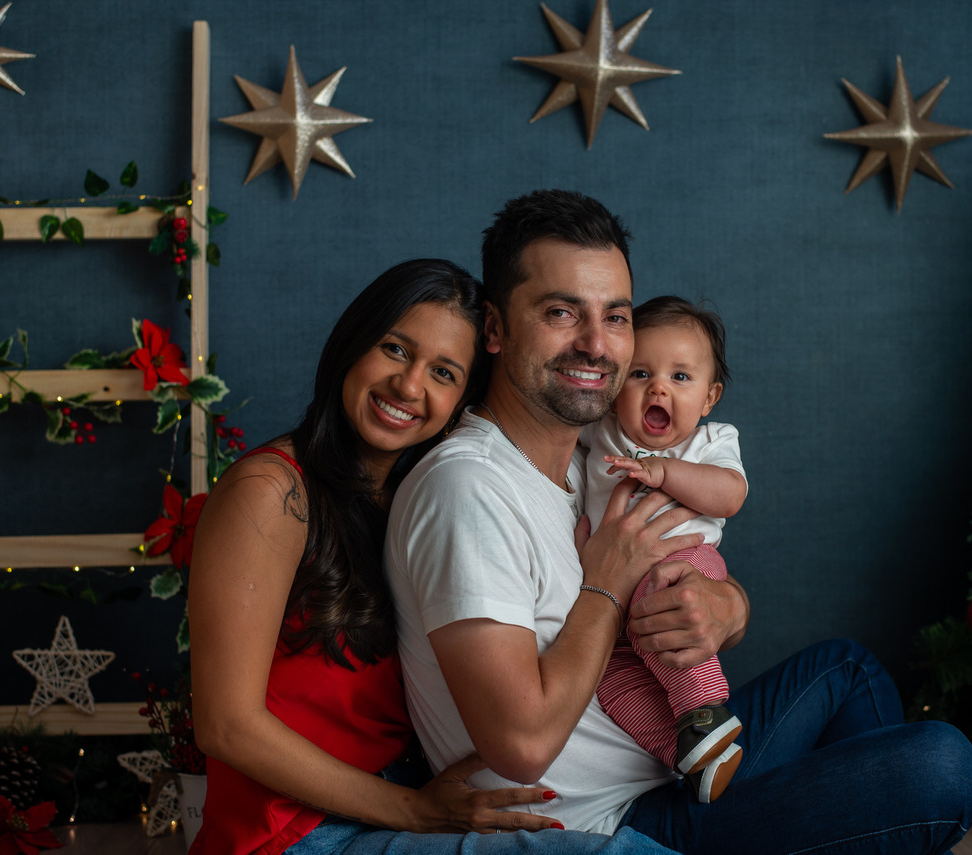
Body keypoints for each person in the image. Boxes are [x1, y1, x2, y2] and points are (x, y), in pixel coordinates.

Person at [385, 190, 972, 854]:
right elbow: (521, 744)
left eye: (614, 316)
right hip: (610, 821)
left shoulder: (576, 470)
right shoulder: (468, 486)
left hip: (669, 770)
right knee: (942, 764)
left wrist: (729, 606)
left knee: (848, 669)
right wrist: (606, 587)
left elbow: (681, 566)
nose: (595, 343)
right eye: (560, 312)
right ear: (495, 329)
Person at [187, 259, 678, 855]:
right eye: (395, 350)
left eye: (442, 372)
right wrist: (410, 810)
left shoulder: (411, 491)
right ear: (352, 343)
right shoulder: (270, 490)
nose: (410, 387)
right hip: (293, 832)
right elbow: (224, 724)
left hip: (401, 798)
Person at [579, 296, 747, 804]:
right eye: (639, 374)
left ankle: (703, 709)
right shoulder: (600, 430)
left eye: (680, 378)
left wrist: (665, 472)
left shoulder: (710, 442)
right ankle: (690, 751)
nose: (658, 388)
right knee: (610, 680)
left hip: (684, 568)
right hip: (610, 608)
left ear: (709, 397)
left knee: (669, 599)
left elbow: (731, 494)